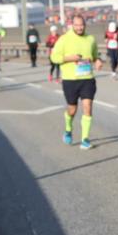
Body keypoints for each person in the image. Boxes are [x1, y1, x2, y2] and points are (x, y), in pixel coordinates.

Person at [49, 15, 103, 150]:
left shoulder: (90, 39)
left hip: (87, 79)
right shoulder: (64, 39)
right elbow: (54, 57)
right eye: (77, 25)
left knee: (88, 107)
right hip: (70, 80)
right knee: (72, 109)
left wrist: (98, 60)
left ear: (85, 25)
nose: (80, 27)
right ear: (72, 25)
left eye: (82, 25)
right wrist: (69, 58)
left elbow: (96, 54)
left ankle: (85, 139)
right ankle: (68, 128)